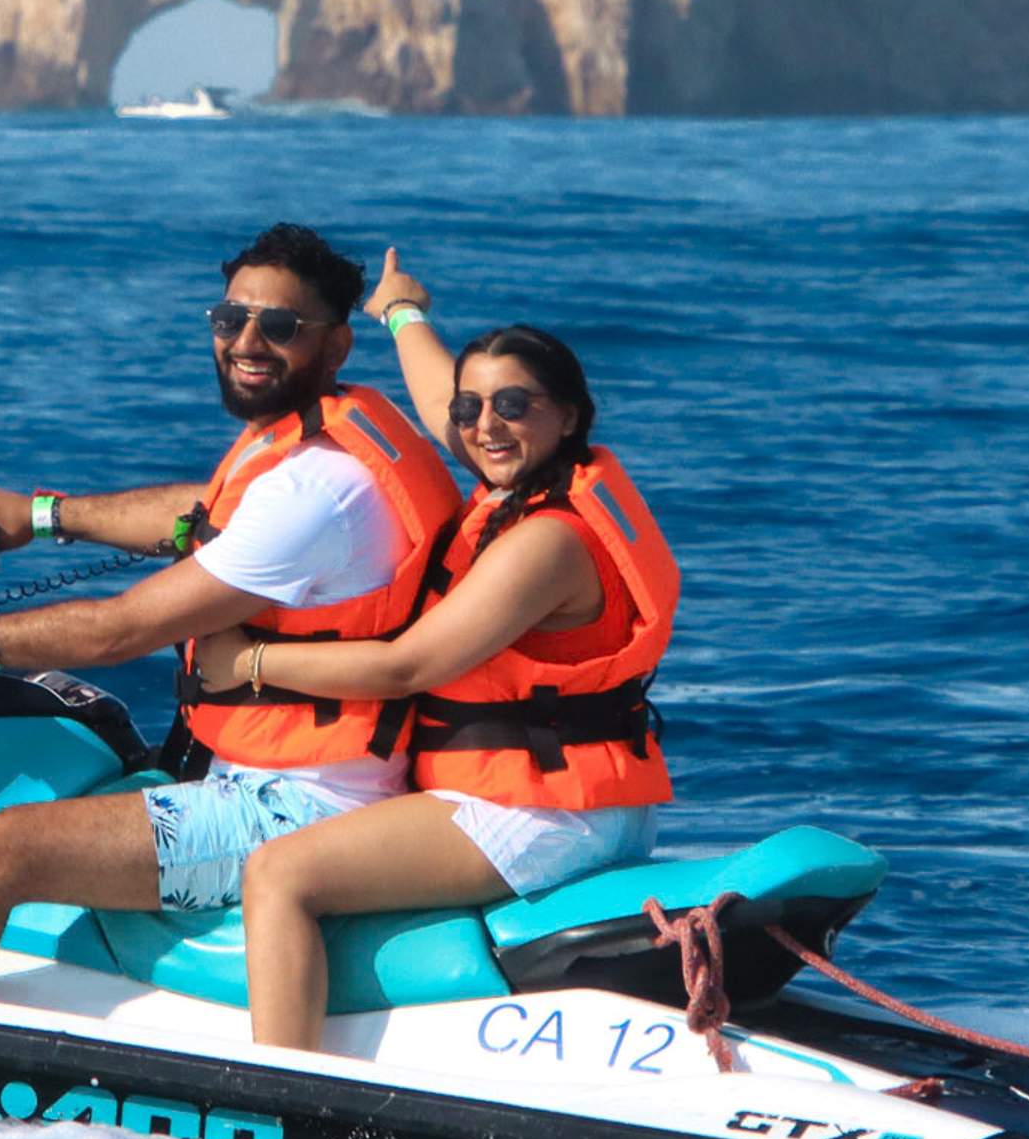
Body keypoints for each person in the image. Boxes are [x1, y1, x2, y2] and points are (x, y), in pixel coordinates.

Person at [0, 223, 460, 994]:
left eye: (279, 327)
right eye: (230, 319)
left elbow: (120, 629)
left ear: (336, 347)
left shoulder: (318, 490)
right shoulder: (313, 441)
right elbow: (204, 513)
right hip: (288, 775)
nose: (247, 341)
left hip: (295, 807)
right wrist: (40, 514)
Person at [185, 257, 677, 1051]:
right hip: (578, 797)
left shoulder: (547, 542)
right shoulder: (530, 483)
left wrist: (247, 663)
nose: (485, 425)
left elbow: (406, 666)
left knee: (280, 872)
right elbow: (439, 397)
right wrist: (403, 310)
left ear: (569, 418)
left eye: (514, 405)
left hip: (539, 814)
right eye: (474, 407)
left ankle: (283, 1097)